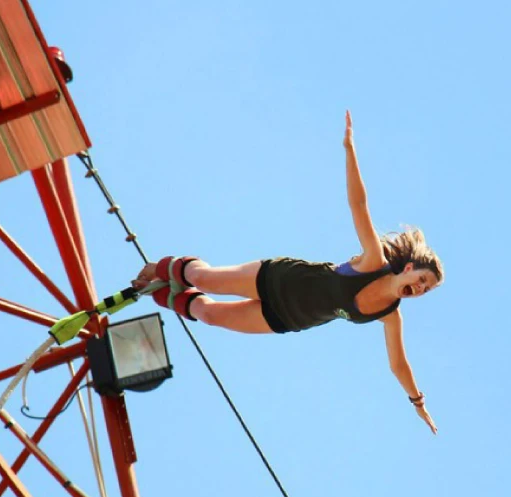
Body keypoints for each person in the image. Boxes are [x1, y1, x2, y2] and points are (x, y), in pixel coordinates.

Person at [133, 112, 443, 433]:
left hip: (289, 319)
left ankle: (162, 292)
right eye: (421, 279)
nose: (420, 288)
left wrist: (418, 402)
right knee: (203, 279)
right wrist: (350, 150)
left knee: (210, 315)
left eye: (426, 289)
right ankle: (164, 267)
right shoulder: (374, 262)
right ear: (408, 268)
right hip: (282, 279)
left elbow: (398, 365)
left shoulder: (391, 315)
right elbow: (358, 206)